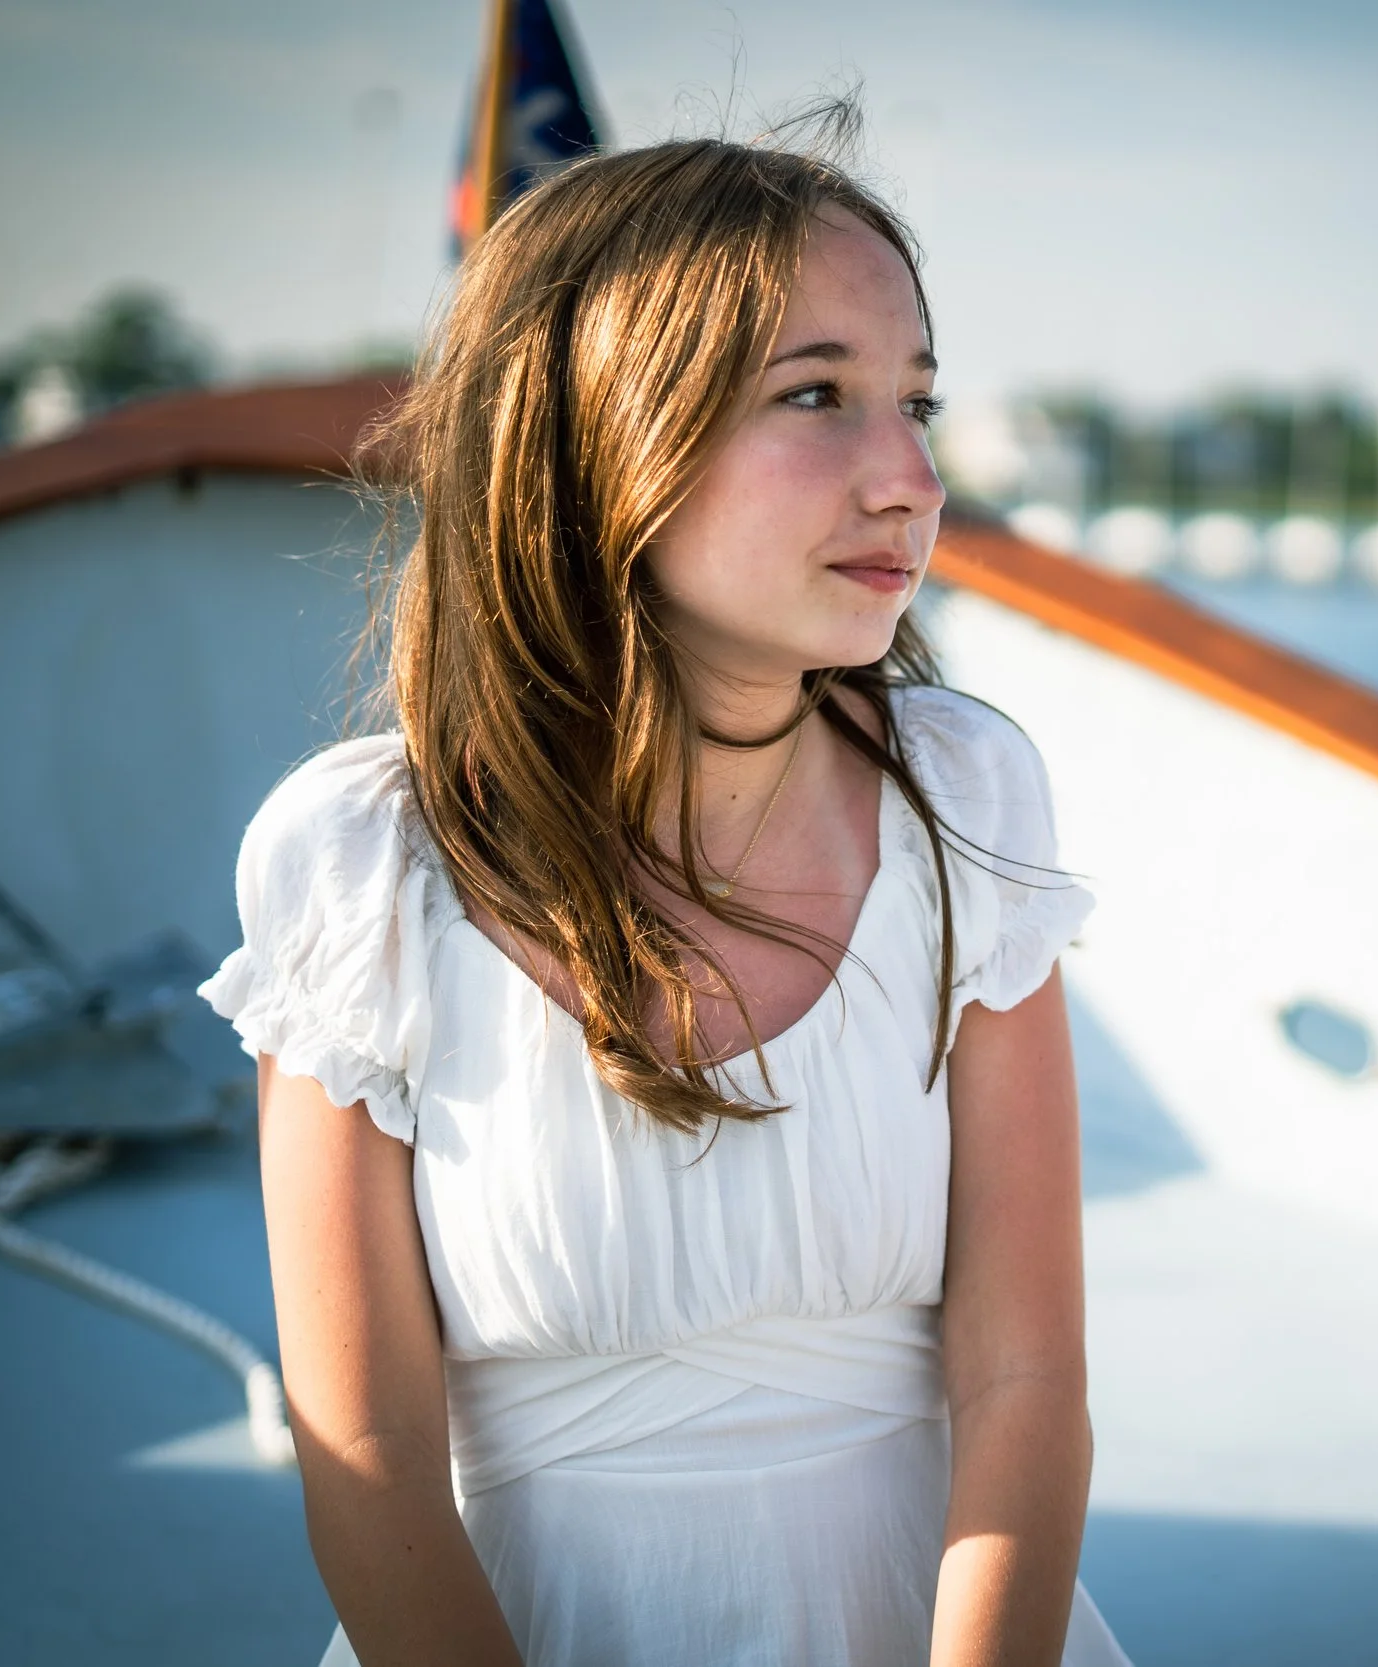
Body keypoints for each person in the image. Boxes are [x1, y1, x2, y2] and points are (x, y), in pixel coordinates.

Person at [199, 116, 1130, 1667]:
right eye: (817, 396)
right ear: (598, 438)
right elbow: (365, 1461)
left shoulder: (965, 804)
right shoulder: (361, 871)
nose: (910, 478)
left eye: (918, 403)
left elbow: (1027, 1373)